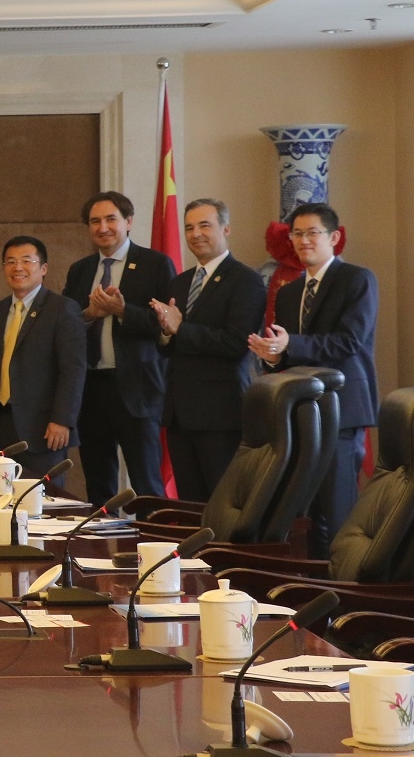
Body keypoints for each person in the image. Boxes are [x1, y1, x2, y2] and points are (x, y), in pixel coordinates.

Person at [249, 202, 378, 557]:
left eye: (312, 233)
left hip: (342, 410)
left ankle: (343, 585)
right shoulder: (289, 292)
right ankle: (313, 583)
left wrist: (290, 344)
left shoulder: (357, 279)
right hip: (300, 413)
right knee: (304, 516)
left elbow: (349, 342)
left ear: (334, 237)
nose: (303, 241)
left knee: (337, 512)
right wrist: (273, 356)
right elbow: (291, 353)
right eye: (297, 234)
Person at [63, 191, 175, 506]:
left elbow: (168, 324)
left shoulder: (156, 264)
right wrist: (89, 314)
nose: (103, 228)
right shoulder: (80, 270)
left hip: (138, 389)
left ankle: (153, 537)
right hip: (91, 390)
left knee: (147, 483)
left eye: (111, 219)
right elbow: (66, 325)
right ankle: (103, 538)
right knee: (99, 485)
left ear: (128, 222)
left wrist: (123, 311)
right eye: (95, 221)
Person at [151, 198, 267, 502]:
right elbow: (167, 347)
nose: (195, 234)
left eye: (205, 225)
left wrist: (180, 329)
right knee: (190, 505)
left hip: (220, 413)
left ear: (226, 228)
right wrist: (165, 333)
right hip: (179, 414)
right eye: (189, 227)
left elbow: (236, 343)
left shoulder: (246, 280)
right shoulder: (179, 282)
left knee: (222, 502)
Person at [0, 237, 85, 475]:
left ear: (43, 268)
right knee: (0, 493)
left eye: (27, 261)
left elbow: (73, 370)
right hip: (1, 423)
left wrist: (62, 419)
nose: (18, 267)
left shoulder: (62, 309)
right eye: (10, 262)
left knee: (42, 496)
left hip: (44, 427)